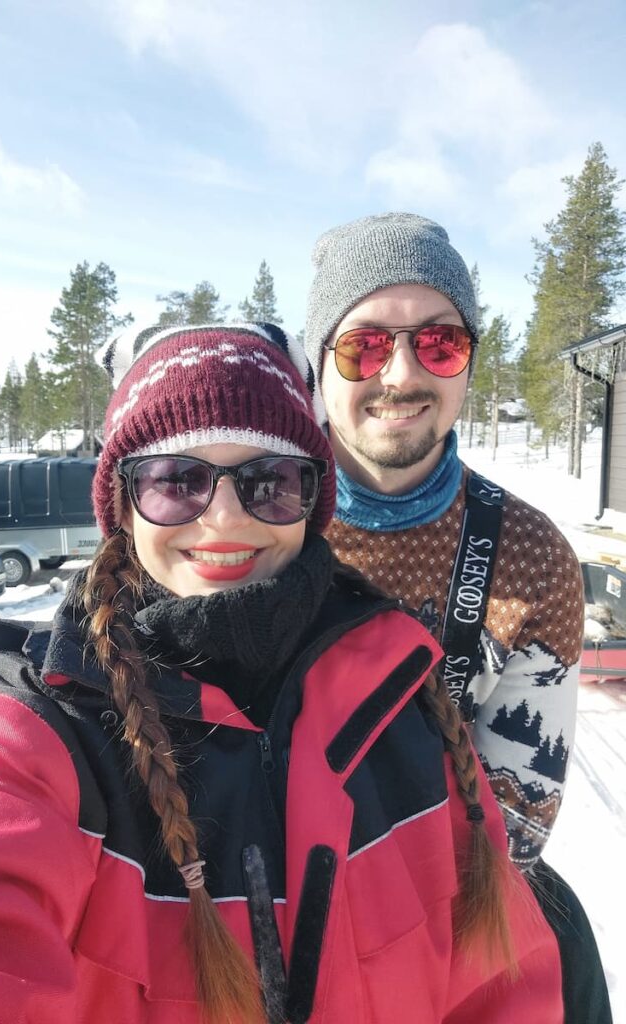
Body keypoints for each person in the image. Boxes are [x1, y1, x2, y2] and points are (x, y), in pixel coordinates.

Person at [0, 323, 562, 1023]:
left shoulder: (406, 702)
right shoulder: (34, 733)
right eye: (175, 480)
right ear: (122, 506)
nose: (223, 516)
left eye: (269, 481)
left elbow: (501, 984)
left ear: (311, 501)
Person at [302, 212, 611, 1021]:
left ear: (468, 363)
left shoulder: (528, 554)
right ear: (318, 364)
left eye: (438, 343)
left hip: (437, 924)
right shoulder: (254, 517)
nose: (400, 374)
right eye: (363, 346)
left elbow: (518, 820)